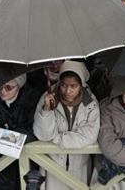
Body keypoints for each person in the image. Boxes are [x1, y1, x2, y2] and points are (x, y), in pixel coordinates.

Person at [33, 61, 100, 190]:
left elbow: (90, 135)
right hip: (51, 165)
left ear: (81, 85)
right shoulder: (48, 97)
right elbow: (43, 135)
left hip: (80, 166)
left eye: (73, 86)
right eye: (64, 85)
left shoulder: (90, 102)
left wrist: (59, 139)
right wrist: (47, 110)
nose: (68, 91)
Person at [0, 74, 39, 190]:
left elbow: (33, 132)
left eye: (8, 87)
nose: (3, 91)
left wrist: (0, 135)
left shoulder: (33, 98)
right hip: (0, 167)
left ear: (19, 85)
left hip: (29, 164)